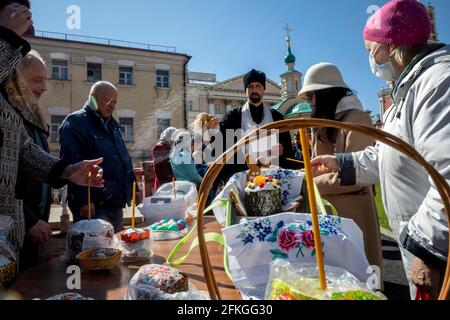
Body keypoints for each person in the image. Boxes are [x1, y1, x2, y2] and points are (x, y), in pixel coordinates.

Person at [312, 0, 449, 299]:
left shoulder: (439, 82)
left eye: (370, 49)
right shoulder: (406, 89)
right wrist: (341, 163)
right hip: (422, 241)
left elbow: (448, 176)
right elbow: (388, 154)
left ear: (388, 46)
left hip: (439, 250)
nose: (370, 59)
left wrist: (427, 249)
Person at [0, 3, 104, 254]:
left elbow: (22, 149)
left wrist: (66, 171)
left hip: (10, 237)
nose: (28, 27)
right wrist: (7, 37)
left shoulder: (11, 107)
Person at [298, 62, 383, 279]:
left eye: (311, 97)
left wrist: (309, 182)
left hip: (353, 217)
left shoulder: (357, 119)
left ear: (324, 94)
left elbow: (358, 175)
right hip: (329, 214)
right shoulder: (324, 122)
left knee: (356, 281)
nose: (310, 103)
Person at [3, 49, 63, 271]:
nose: (44, 88)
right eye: (37, 80)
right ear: (13, 77)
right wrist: (29, 220)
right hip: (12, 231)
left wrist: (68, 172)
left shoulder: (32, 116)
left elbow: (37, 163)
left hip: (35, 228)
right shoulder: (7, 118)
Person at [59, 81, 141, 232]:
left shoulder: (113, 126)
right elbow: (72, 163)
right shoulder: (75, 123)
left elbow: (124, 158)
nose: (112, 105)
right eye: (107, 100)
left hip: (115, 202)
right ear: (92, 98)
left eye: (115, 102)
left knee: (114, 247)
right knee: (95, 249)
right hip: (94, 205)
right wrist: (83, 200)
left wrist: (133, 188)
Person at [219, 69, 298, 183]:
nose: (254, 90)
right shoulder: (232, 117)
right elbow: (222, 151)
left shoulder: (277, 117)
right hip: (243, 178)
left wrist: (282, 150)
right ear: (245, 90)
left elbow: (288, 153)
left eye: (258, 86)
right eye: (250, 87)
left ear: (264, 89)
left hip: (273, 178)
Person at [152, 127, 177, 192]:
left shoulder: (171, 147)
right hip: (163, 184)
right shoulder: (159, 148)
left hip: (171, 183)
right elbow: (158, 169)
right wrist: (163, 184)